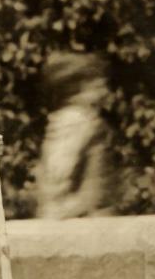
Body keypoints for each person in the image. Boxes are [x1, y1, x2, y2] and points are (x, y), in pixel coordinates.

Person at [35, 51, 115, 220]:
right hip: (83, 219)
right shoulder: (83, 122)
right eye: (98, 85)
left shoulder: (67, 121)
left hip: (64, 216)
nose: (105, 91)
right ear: (80, 88)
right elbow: (89, 191)